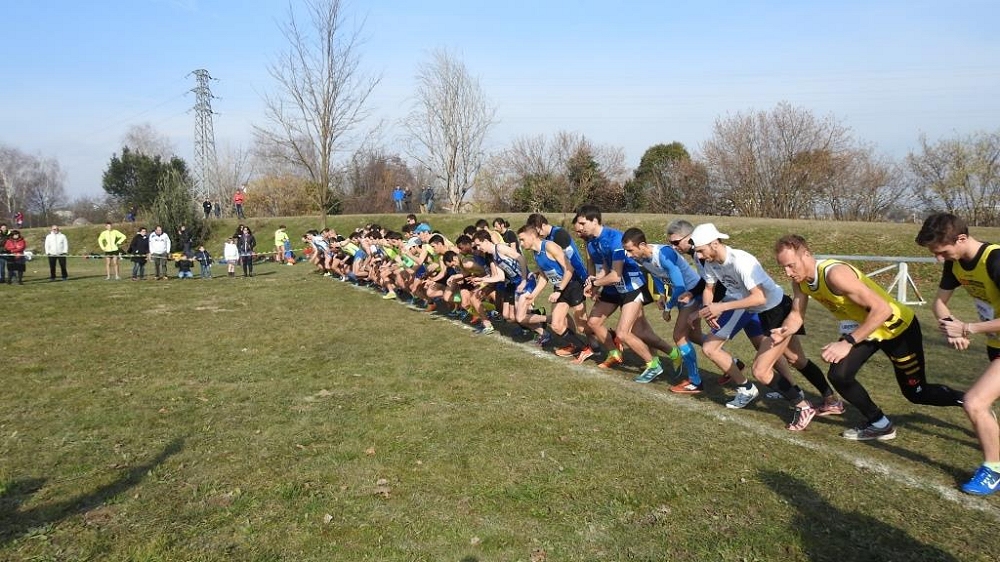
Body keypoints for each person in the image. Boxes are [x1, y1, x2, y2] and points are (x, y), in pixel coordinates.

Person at [776, 233, 964, 441]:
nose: (787, 272)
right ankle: (880, 424)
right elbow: (795, 315)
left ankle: (967, 399)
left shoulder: (835, 274)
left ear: (807, 255)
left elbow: (882, 309)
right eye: (783, 267)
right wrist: (783, 331)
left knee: (916, 393)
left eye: (791, 265)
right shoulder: (801, 282)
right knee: (840, 374)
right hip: (868, 329)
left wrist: (848, 342)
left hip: (897, 330)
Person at [690, 223, 836, 429]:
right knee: (795, 360)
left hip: (777, 311)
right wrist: (708, 308)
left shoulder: (741, 260)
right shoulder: (711, 262)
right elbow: (709, 288)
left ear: (714, 244)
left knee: (764, 370)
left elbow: (759, 298)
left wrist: (721, 307)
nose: (701, 256)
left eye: (702, 251)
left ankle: (803, 406)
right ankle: (830, 399)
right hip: (760, 312)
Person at [915, 212, 1000, 494]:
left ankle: (993, 470)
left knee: (974, 402)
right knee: (981, 405)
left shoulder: (996, 261)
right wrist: (950, 324)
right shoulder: (956, 263)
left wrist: (968, 328)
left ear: (961, 238)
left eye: (942, 251)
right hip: (995, 344)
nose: (939, 258)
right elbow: (939, 303)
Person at [573, 205, 676, 383]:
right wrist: (594, 285)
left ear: (595, 221)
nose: (580, 227)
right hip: (615, 287)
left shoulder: (614, 239)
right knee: (594, 322)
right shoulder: (594, 241)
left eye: (583, 223)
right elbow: (606, 266)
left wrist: (595, 283)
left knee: (628, 332)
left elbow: (616, 275)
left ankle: (656, 362)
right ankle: (615, 352)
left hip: (632, 287)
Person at [621, 227, 703, 393]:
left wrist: (668, 307)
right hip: (682, 296)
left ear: (642, 245)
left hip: (692, 293)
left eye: (630, 250)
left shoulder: (664, 254)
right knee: (694, 335)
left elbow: (679, 286)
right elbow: (657, 275)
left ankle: (695, 381)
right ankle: (732, 362)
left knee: (679, 336)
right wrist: (661, 295)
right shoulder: (642, 259)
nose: (628, 255)